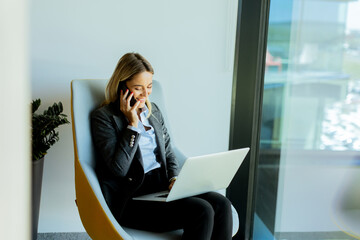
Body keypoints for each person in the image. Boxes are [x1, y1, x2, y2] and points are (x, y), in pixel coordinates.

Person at [91, 52, 233, 240]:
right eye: (138, 88)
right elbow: (118, 169)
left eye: (149, 86)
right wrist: (132, 126)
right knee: (202, 211)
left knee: (221, 204)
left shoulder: (153, 111)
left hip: (161, 189)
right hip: (132, 199)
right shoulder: (104, 118)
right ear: (122, 87)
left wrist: (174, 178)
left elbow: (169, 151)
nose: (145, 94)